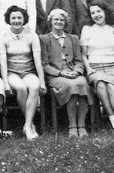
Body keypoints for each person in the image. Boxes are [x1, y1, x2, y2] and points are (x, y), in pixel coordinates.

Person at [80, 1, 114, 139]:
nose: (96, 15)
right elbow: (83, 55)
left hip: (112, 67)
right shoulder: (87, 29)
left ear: (105, 12)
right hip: (95, 68)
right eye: (93, 13)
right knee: (100, 83)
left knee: (110, 85)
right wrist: (88, 69)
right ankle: (113, 119)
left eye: (99, 11)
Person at [40, 9, 91, 137]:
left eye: (61, 20)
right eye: (56, 19)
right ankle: (72, 126)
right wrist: (61, 73)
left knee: (82, 84)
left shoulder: (73, 38)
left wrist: (76, 71)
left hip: (73, 72)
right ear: (50, 22)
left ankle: (82, 125)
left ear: (65, 22)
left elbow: (79, 61)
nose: (59, 22)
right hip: (56, 75)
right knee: (71, 86)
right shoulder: (44, 39)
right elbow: (44, 64)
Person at [0, 6, 45, 141]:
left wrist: (42, 81)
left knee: (34, 86)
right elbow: (3, 62)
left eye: (19, 18)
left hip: (28, 71)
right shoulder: (4, 37)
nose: (16, 21)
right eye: (13, 18)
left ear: (24, 19)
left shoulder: (32, 35)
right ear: (9, 20)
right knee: (21, 88)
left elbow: (37, 61)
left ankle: (27, 125)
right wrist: (6, 82)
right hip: (12, 72)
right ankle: (30, 125)